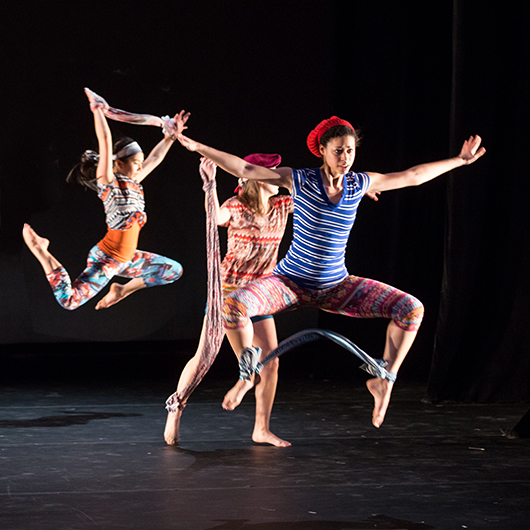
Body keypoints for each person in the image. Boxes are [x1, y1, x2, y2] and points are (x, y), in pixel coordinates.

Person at [174, 115, 486, 429]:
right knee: (233, 307)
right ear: (323, 150)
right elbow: (246, 170)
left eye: (350, 150)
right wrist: (194, 144)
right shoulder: (301, 180)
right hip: (288, 284)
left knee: (411, 309)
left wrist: (459, 160)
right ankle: (246, 375)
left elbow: (413, 175)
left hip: (335, 287)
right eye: (338, 151)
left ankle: (384, 379)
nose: (345, 158)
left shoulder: (358, 184)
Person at [164, 154, 294, 447]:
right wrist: (209, 185)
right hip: (229, 293)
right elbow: (214, 220)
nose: (277, 178)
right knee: (205, 357)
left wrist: (358, 192)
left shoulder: (282, 206)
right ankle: (176, 406)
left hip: (260, 295)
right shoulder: (235, 207)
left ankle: (261, 428)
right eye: (271, 172)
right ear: (254, 178)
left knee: (271, 362)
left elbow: (321, 198)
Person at [22, 94, 188, 310]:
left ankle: (122, 290)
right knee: (69, 301)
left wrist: (171, 137)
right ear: (118, 163)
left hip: (127, 259)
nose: (140, 167)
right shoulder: (108, 183)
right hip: (107, 260)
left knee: (173, 271)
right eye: (136, 162)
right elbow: (106, 140)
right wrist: (98, 111)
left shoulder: (134, 182)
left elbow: (155, 159)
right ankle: (41, 250)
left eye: (140, 163)